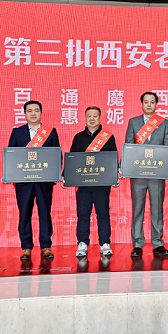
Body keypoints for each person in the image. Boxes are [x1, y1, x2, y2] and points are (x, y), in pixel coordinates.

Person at [8, 100, 60, 261]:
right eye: (29, 111)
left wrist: (55, 173)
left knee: (45, 212)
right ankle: (26, 247)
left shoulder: (50, 132)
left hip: (44, 181)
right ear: (24, 114)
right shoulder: (17, 132)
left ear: (41, 113)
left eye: (36, 110)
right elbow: (11, 155)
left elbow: (57, 155)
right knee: (24, 213)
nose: (33, 113)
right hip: (24, 182)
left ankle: (46, 246)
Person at [125, 92, 168, 258]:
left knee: (157, 209)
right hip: (138, 174)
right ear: (142, 104)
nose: (149, 105)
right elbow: (129, 146)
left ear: (156, 104)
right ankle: (137, 243)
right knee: (137, 208)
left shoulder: (164, 123)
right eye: (146, 102)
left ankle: (157, 242)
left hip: (157, 174)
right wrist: (125, 167)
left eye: (152, 102)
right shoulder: (133, 122)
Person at [66, 107, 117, 258]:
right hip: (83, 185)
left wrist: (114, 175)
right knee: (83, 214)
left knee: (103, 213)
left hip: (102, 184)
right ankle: (82, 243)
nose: (92, 119)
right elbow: (72, 159)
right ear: (85, 118)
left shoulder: (108, 137)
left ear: (100, 118)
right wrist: (65, 176)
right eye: (89, 116)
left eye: (95, 116)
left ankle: (105, 243)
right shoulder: (78, 137)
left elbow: (113, 159)